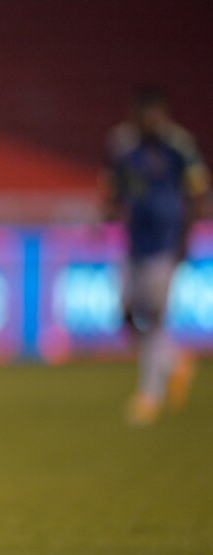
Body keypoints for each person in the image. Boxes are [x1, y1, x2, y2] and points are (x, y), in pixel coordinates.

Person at [102, 86, 210, 426]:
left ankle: (150, 395)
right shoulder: (122, 144)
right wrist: (106, 210)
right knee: (126, 314)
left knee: (155, 317)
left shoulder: (179, 145)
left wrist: (185, 240)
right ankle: (175, 361)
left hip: (165, 243)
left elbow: (196, 191)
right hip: (134, 243)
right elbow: (112, 185)